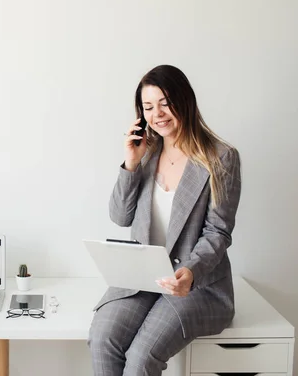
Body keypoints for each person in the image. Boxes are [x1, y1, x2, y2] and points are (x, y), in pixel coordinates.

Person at [87, 64, 242, 376]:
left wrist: (189, 272)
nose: (156, 114)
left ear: (184, 100)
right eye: (147, 107)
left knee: (141, 358)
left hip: (197, 286)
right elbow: (120, 216)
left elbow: (218, 232)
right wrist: (130, 163)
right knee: (103, 339)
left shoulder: (220, 157)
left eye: (164, 103)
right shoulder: (145, 153)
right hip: (142, 280)